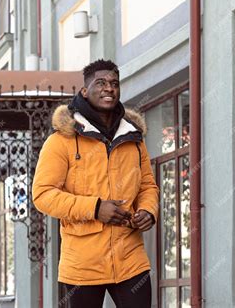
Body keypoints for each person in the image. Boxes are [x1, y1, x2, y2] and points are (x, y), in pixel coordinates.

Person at [32, 59, 159, 308]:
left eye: (114, 83)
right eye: (100, 83)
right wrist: (95, 208)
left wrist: (148, 211)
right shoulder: (61, 141)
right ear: (84, 91)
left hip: (130, 258)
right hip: (82, 264)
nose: (109, 88)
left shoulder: (133, 139)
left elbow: (147, 186)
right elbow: (43, 194)